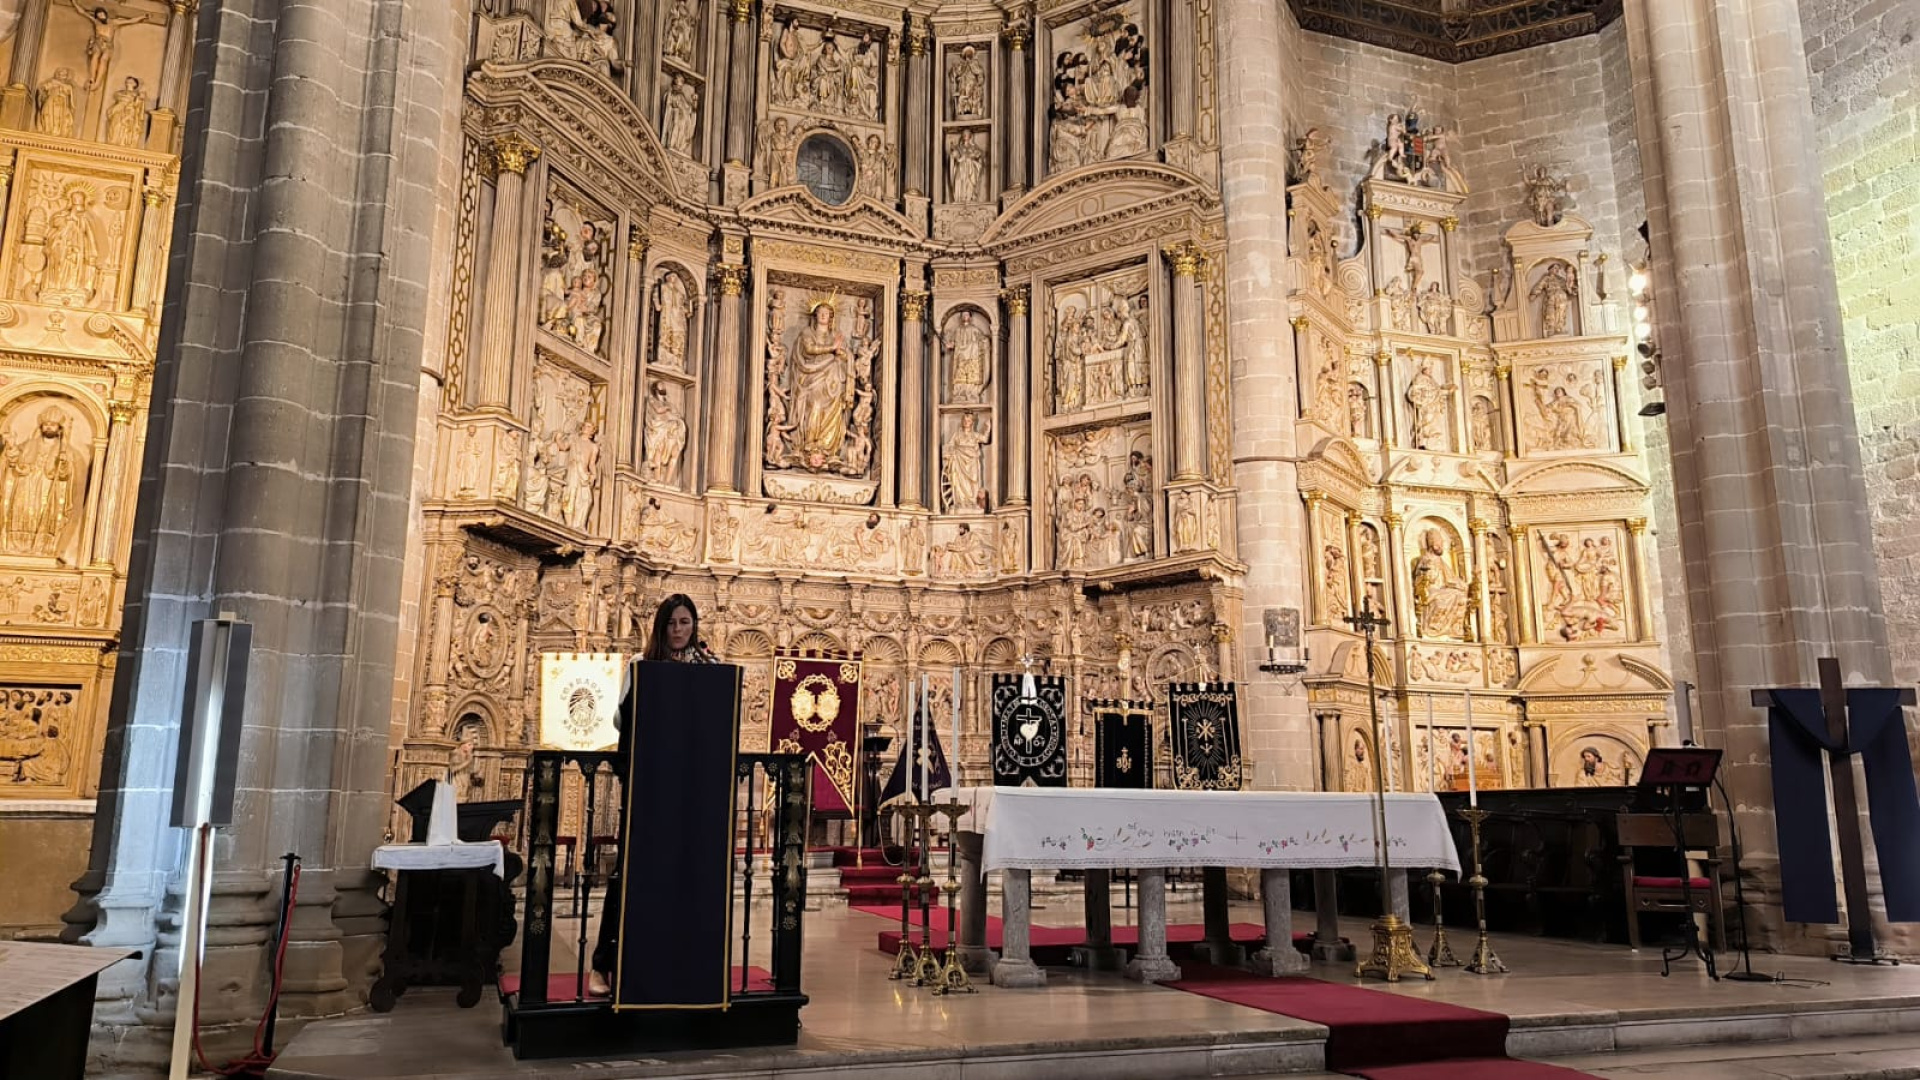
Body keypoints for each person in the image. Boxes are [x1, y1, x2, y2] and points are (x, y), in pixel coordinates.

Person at [589, 594, 719, 996]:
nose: (679, 630)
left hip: (691, 791)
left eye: (685, 622)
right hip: (649, 784)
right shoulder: (640, 666)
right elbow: (620, 718)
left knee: (687, 875)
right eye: (672, 623)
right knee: (627, 874)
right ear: (660, 627)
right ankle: (602, 965)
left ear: (694, 626)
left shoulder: (708, 670)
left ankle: (678, 962)